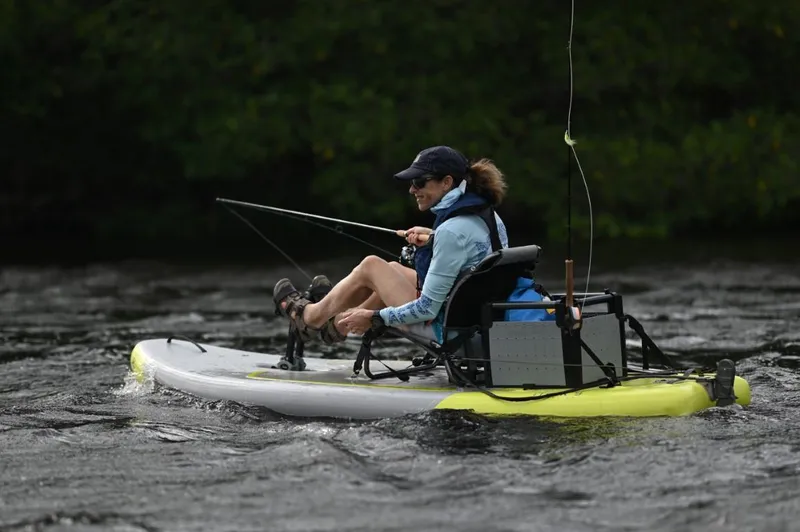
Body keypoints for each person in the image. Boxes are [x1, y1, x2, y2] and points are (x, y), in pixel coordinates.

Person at [273, 145, 509, 345]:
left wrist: (375, 317)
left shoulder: (452, 232)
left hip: (448, 331)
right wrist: (434, 237)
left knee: (371, 266)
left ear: (446, 182)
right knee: (392, 269)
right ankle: (337, 322)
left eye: (419, 182)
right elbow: (471, 254)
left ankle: (310, 318)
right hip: (477, 320)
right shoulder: (487, 215)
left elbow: (426, 309)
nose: (412, 189)